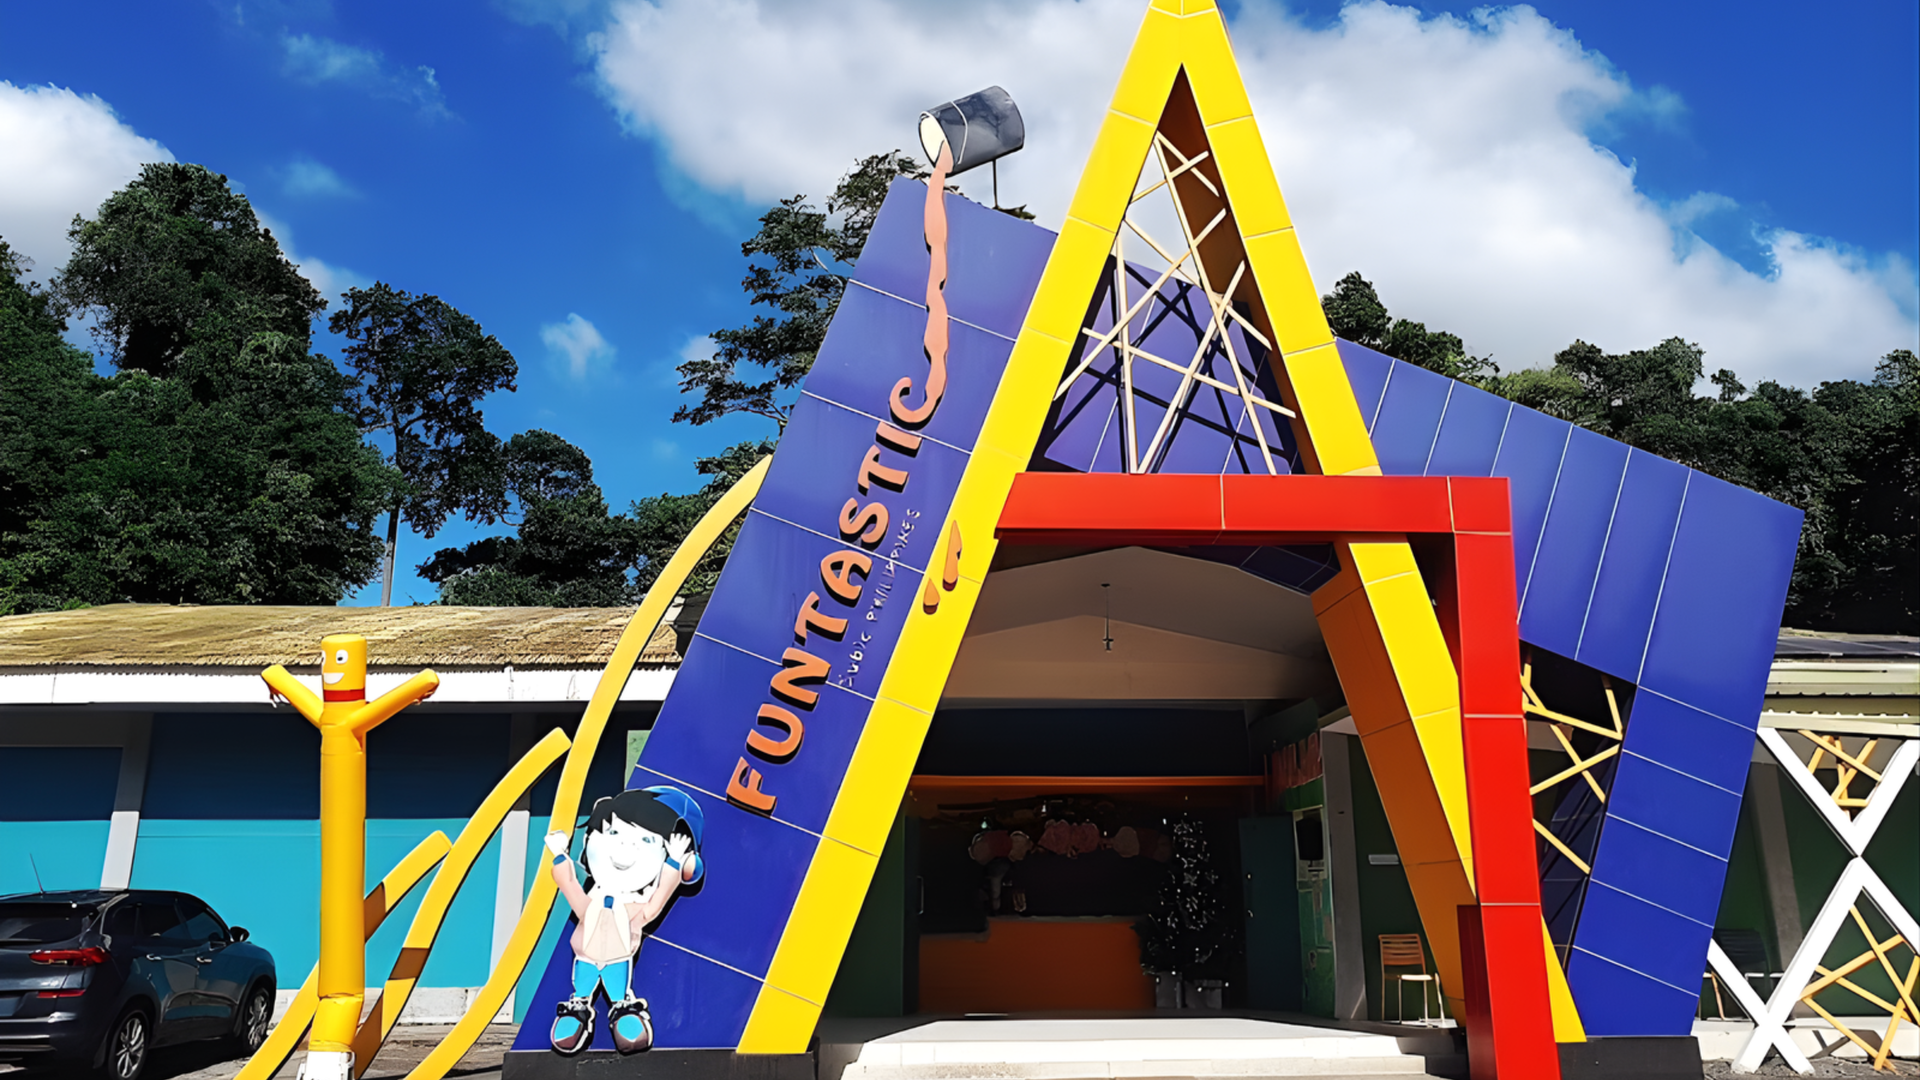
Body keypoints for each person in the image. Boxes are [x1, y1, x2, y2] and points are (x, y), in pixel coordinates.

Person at [544, 786, 704, 1054]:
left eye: (647, 841)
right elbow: (570, 886)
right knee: (581, 991)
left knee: (619, 995)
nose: (622, 847)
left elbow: (655, 904)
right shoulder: (591, 901)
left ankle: (625, 1016)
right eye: (614, 832)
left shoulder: (636, 908)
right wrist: (560, 855)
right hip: (585, 958)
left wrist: (674, 863)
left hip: (618, 960)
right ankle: (577, 1013)